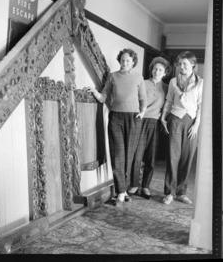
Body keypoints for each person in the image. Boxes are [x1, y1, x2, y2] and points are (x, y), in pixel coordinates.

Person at [86, 48, 147, 208]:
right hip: (116, 118)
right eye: (123, 60)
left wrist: (143, 112)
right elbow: (103, 97)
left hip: (134, 118)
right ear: (120, 60)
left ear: (133, 62)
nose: (125, 62)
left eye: (128, 60)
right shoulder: (113, 76)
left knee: (129, 155)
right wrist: (94, 92)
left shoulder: (138, 77)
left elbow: (143, 98)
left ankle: (123, 190)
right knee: (118, 154)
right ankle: (121, 192)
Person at [161, 51, 203, 205]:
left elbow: (200, 106)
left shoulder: (200, 82)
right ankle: (169, 193)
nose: (181, 67)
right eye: (179, 64)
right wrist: (163, 117)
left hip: (191, 122)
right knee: (173, 156)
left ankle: (181, 192)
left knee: (187, 157)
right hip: (175, 120)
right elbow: (168, 101)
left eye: (185, 64)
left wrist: (196, 125)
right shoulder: (173, 81)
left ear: (192, 64)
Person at [128, 57, 171, 199]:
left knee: (151, 157)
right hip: (141, 120)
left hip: (156, 124)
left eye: (160, 70)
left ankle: (145, 186)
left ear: (164, 73)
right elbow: (135, 100)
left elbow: (168, 106)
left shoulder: (166, 88)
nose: (157, 72)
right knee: (137, 155)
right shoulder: (143, 83)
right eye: (155, 69)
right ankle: (134, 184)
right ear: (151, 70)